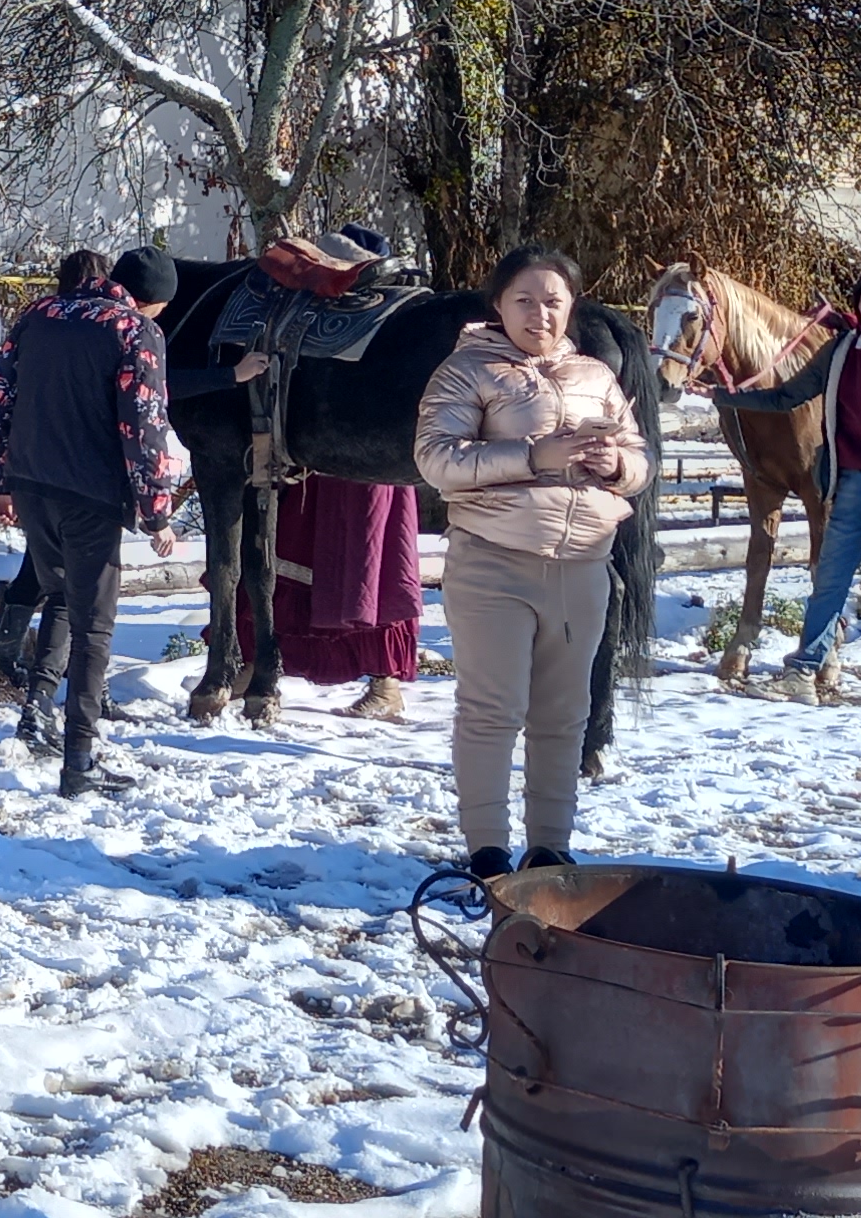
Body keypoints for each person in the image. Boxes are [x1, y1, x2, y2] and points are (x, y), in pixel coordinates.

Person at [413, 246, 649, 874]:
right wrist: (532, 456)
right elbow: (436, 459)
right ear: (499, 304)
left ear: (572, 307)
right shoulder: (466, 370)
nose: (539, 314)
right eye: (524, 300)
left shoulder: (596, 376)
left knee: (564, 716)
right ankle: (487, 851)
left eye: (552, 302)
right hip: (495, 563)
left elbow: (639, 458)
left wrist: (618, 466)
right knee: (492, 711)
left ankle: (549, 850)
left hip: (583, 566)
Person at [0, 245, 185, 796]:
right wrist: (157, 512)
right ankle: (80, 759)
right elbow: (144, 423)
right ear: (154, 299)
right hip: (90, 492)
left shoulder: (39, 314)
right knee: (95, 624)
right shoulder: (135, 330)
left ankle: (37, 711)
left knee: (61, 596)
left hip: (31, 482)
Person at [710, 265, 861, 707]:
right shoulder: (841, 350)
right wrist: (723, 396)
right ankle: (803, 672)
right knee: (829, 582)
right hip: (853, 486)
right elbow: (787, 395)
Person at [271, 472, 420, 719]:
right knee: (294, 540)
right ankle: (258, 670)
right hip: (314, 468)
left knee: (370, 557)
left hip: (371, 463)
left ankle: (386, 688)